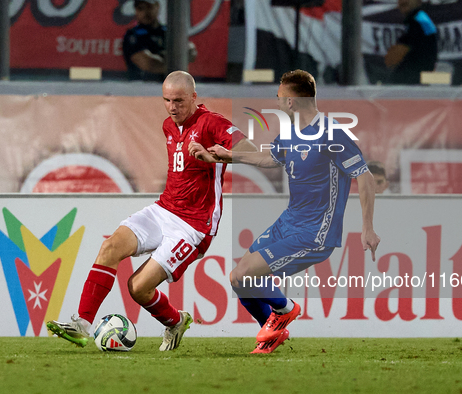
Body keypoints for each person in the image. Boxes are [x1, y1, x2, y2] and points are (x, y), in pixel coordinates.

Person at [47, 71, 251, 351]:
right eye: (166, 100)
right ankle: (82, 323)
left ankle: (176, 321)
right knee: (110, 247)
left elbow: (251, 151)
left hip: (193, 226)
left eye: (179, 100)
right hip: (163, 210)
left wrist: (219, 155)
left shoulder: (212, 123)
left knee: (137, 287)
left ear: (194, 97)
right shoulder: (169, 126)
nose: (172, 107)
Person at [189, 70, 380, 353]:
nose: (276, 101)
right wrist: (226, 155)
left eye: (279, 97)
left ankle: (286, 308)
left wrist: (368, 227)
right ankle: (273, 331)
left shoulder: (332, 133)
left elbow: (364, 176)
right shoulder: (291, 134)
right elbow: (269, 158)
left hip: (316, 232)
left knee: (248, 276)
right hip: (289, 221)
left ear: (291, 102)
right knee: (238, 279)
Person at [122, 0, 197, 81]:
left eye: (149, 7)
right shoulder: (133, 35)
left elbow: (190, 51)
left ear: (157, 7)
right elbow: (149, 64)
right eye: (141, 9)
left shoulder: (168, 32)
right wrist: (175, 61)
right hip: (141, 86)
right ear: (136, 11)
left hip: (170, 85)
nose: (146, 12)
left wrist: (182, 54)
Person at [384, 0, 437, 85]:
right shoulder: (418, 19)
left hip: (415, 79)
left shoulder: (419, 20)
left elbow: (396, 55)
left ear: (418, 2)